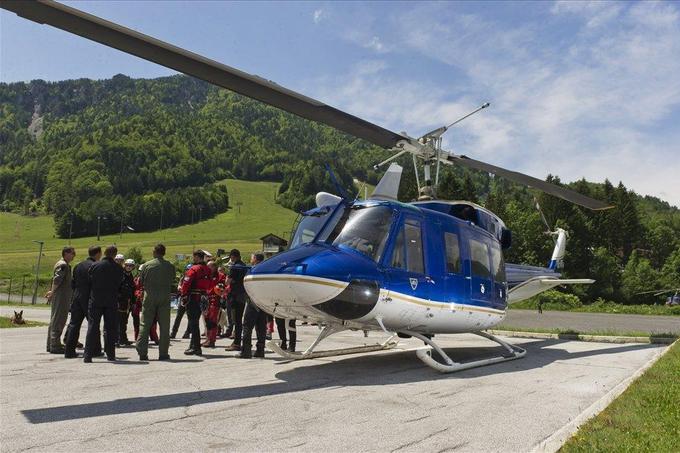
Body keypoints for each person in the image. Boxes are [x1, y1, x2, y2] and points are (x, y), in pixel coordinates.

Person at [136, 243, 176, 361]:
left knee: (145, 323)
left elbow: (141, 281)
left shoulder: (147, 265)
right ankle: (163, 353)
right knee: (164, 325)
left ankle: (142, 352)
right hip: (165, 295)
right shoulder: (170, 266)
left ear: (155, 252)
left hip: (150, 295)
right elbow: (173, 279)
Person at [83, 245, 124, 362]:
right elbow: (119, 285)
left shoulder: (95, 266)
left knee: (92, 327)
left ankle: (88, 355)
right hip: (111, 300)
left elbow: (89, 281)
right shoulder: (118, 268)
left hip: (96, 299)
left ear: (104, 253)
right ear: (115, 255)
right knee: (110, 328)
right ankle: (111, 354)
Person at [64, 246, 102, 358]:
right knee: (93, 324)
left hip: (77, 296)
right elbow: (96, 283)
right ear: (98, 254)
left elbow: (73, 283)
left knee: (74, 324)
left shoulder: (78, 266)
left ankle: (69, 351)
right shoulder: (95, 266)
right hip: (89, 297)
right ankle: (95, 349)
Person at [179, 250, 212, 356]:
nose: (193, 259)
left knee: (193, 323)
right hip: (203, 297)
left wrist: (183, 294)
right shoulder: (208, 269)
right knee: (195, 322)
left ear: (197, 257)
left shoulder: (194, 269)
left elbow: (186, 283)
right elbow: (211, 283)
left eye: (194, 257)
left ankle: (196, 347)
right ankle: (192, 345)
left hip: (193, 297)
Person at [46, 246, 76, 354]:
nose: (74, 255)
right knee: (59, 320)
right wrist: (52, 292)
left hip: (60, 296)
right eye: (72, 253)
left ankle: (51, 344)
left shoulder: (62, 264)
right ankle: (55, 345)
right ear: (66, 253)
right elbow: (57, 279)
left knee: (55, 319)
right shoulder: (63, 265)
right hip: (61, 297)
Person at [237, 252, 268, 359]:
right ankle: (260, 350)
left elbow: (247, 284)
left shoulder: (253, 270)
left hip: (253, 300)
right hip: (263, 301)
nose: (251, 259)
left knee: (247, 326)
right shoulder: (266, 269)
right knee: (261, 327)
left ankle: (246, 350)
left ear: (255, 258)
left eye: (251, 257)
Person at [225, 249, 248, 352]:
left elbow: (227, 282)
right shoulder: (244, 266)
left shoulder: (234, 267)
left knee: (236, 321)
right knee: (239, 320)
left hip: (235, 295)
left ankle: (236, 343)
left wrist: (228, 277)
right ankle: (237, 341)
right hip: (242, 295)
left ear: (233, 256)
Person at [201, 261, 224, 348]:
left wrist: (218, 289)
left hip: (215, 301)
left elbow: (222, 288)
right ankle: (207, 339)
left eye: (209, 267)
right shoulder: (206, 275)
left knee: (213, 321)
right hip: (206, 301)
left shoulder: (220, 276)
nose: (208, 268)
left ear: (214, 267)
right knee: (207, 321)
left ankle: (212, 340)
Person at [116, 258, 136, 346]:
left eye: (130, 266)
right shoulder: (120, 275)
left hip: (127, 302)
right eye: (127, 265)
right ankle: (118, 339)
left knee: (124, 321)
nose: (128, 267)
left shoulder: (130, 276)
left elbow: (132, 290)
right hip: (120, 301)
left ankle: (123, 338)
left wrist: (133, 302)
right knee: (119, 321)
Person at [170, 263, 192, 339]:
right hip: (182, 298)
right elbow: (179, 284)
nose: (188, 271)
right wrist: (179, 287)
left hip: (190, 298)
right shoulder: (183, 277)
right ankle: (173, 333)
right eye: (187, 269)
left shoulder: (193, 278)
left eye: (189, 270)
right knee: (178, 317)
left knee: (190, 317)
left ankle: (187, 333)